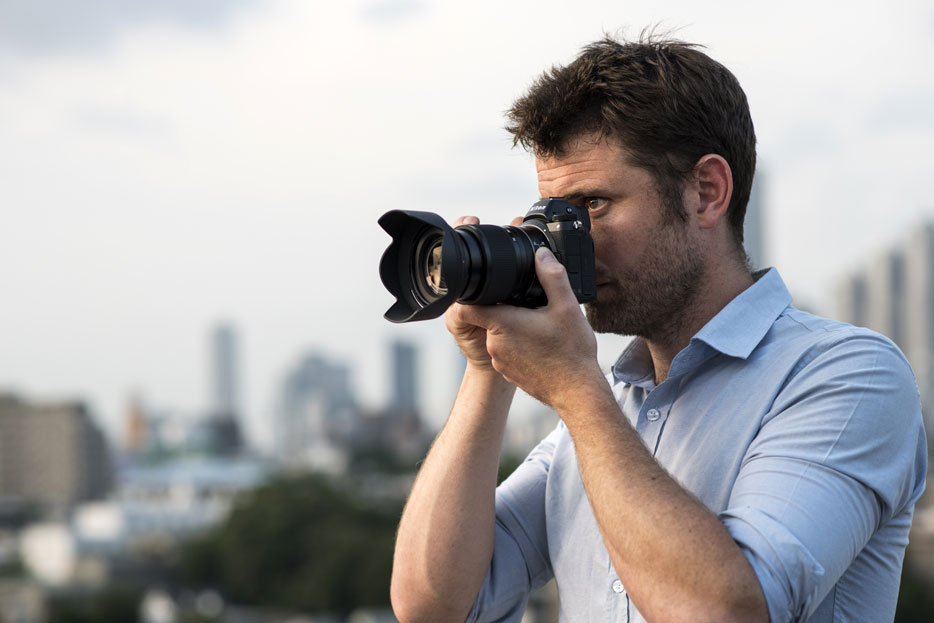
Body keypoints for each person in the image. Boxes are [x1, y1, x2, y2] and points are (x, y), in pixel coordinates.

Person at [390, 34, 928, 623]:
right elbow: (434, 605)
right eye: (552, 212)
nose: (568, 240)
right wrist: (486, 367)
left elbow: (723, 612)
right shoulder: (601, 415)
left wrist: (574, 387)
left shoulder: (848, 376)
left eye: (591, 205)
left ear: (706, 193)